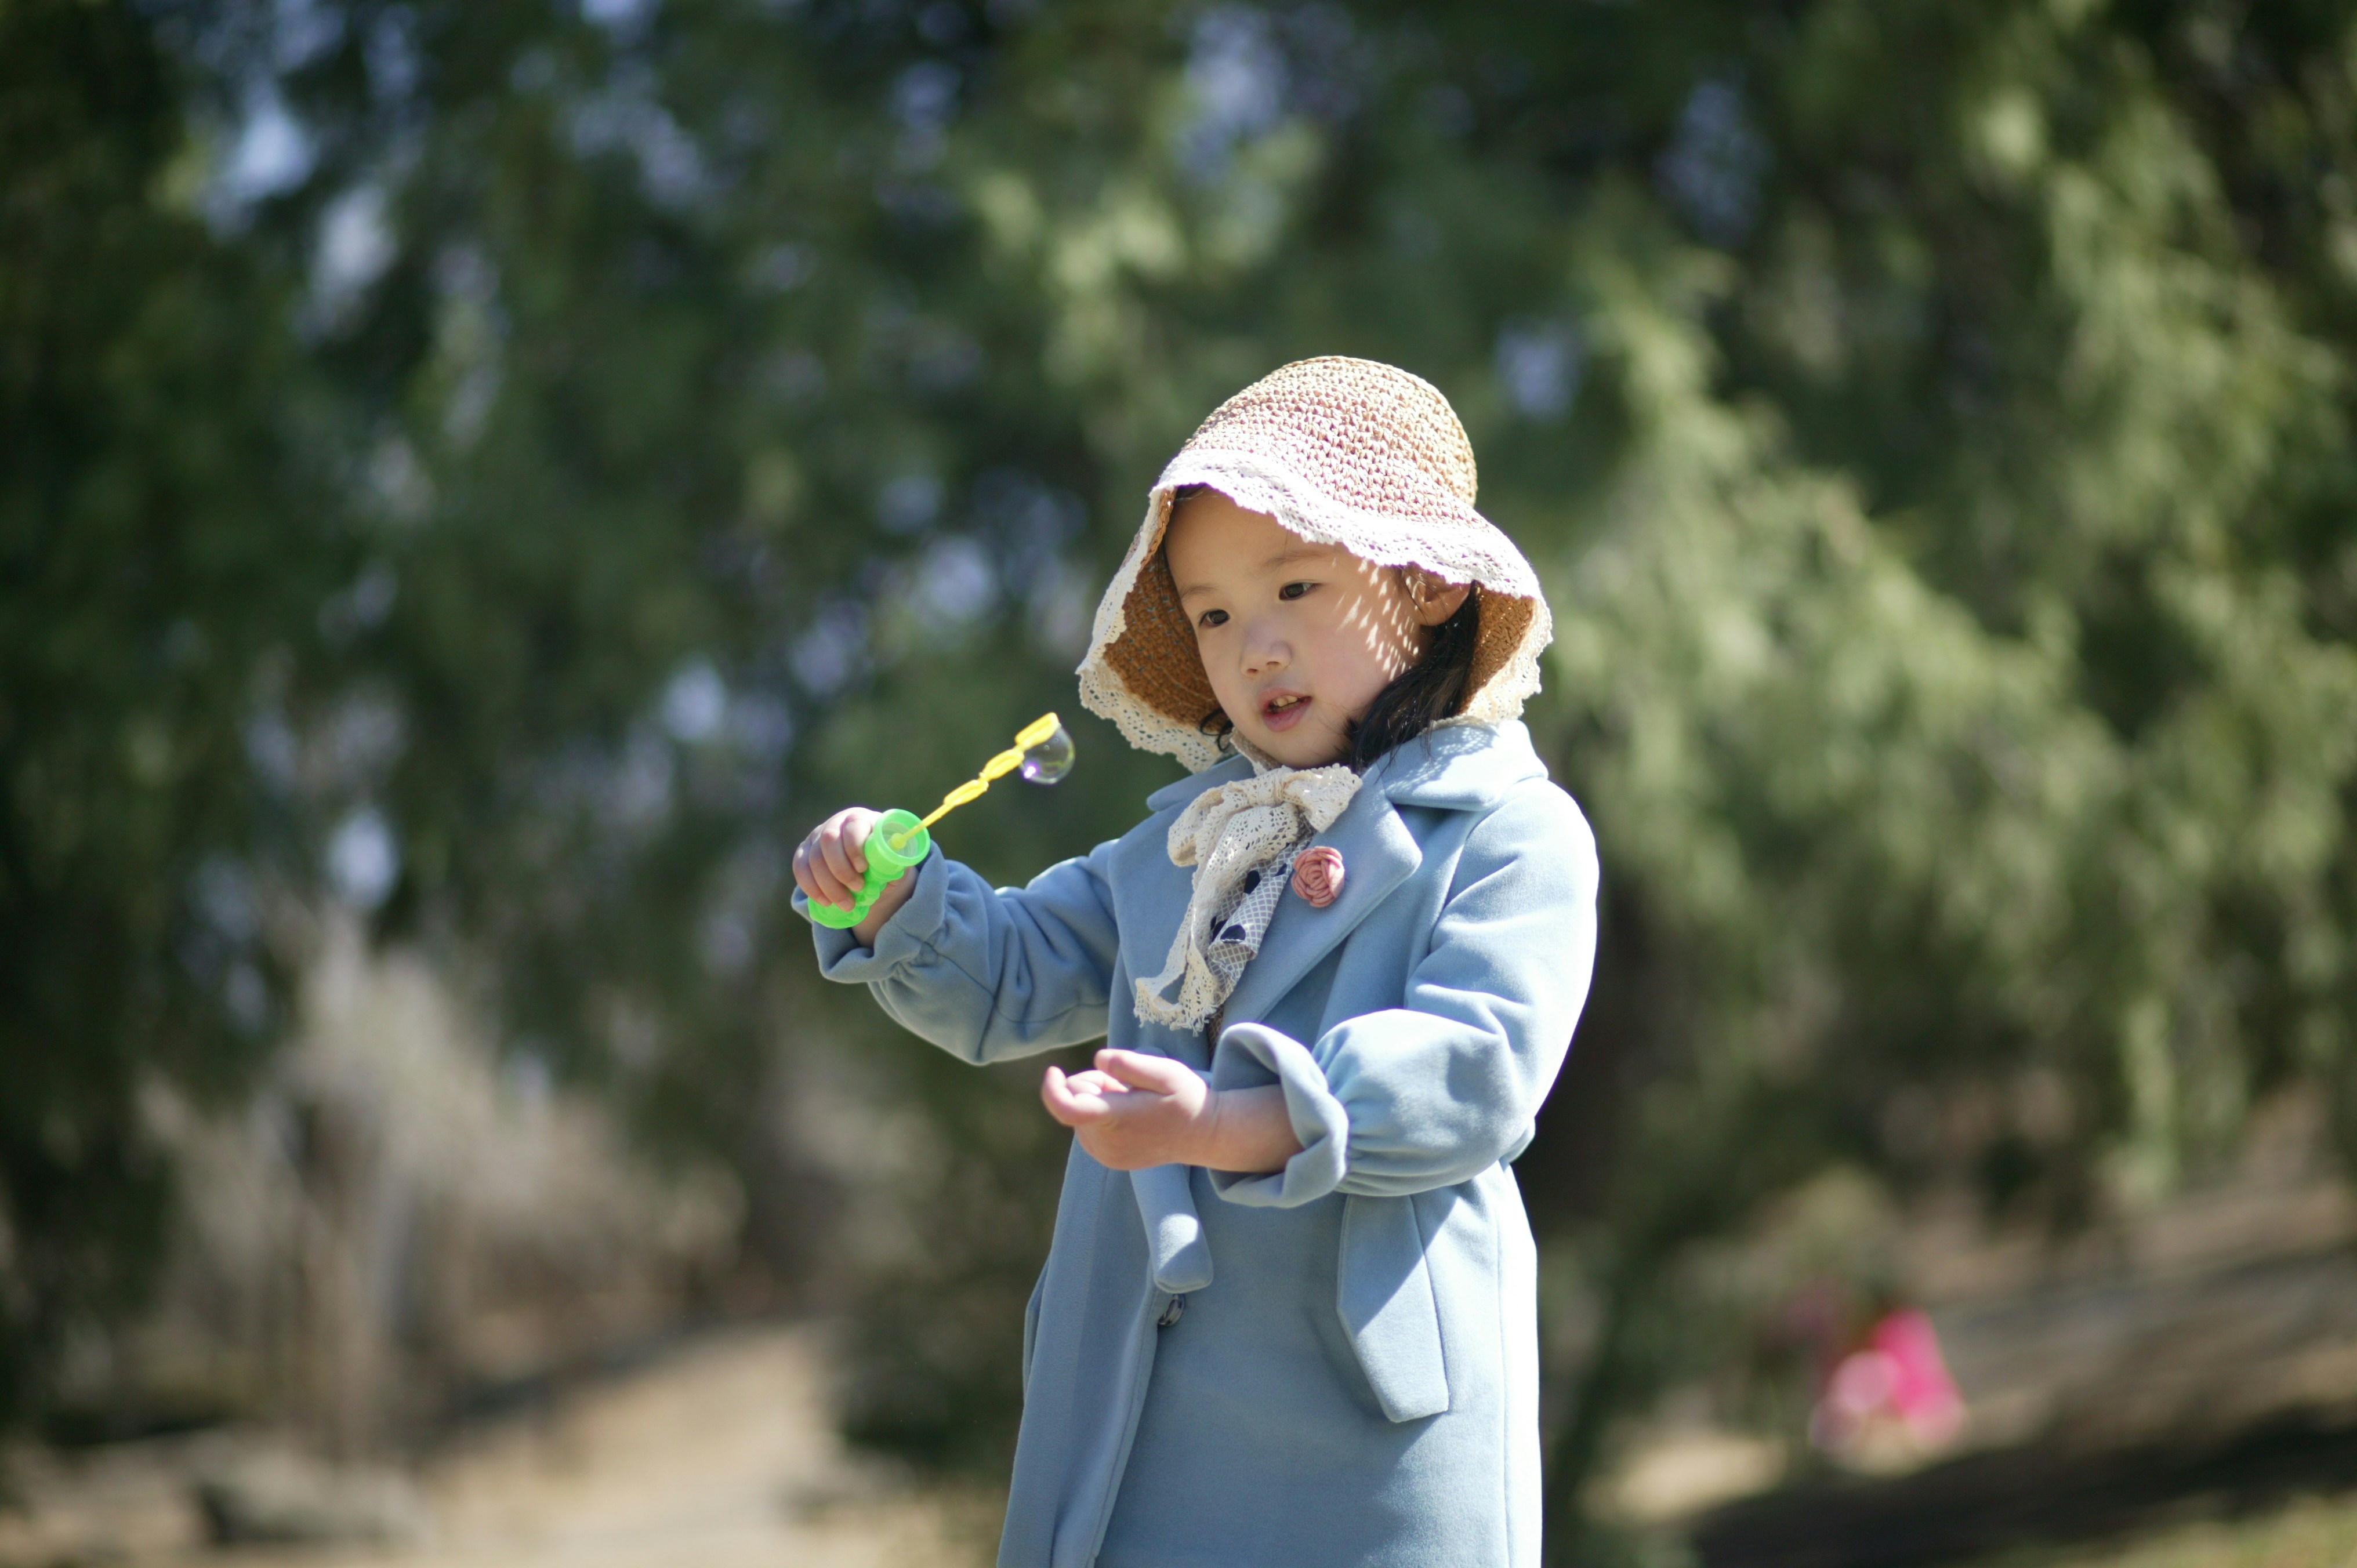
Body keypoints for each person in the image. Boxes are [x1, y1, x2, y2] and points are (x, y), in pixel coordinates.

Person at [792, 357, 1598, 1568]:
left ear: (1426, 584)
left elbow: (1475, 1072)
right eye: (1214, 613)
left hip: (1368, 1449)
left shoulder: (1505, 830)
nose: (1255, 646)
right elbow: (1011, 973)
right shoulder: (1187, 843)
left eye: (1296, 586)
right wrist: (896, 897)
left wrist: (1224, 1123)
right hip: (1135, 1421)